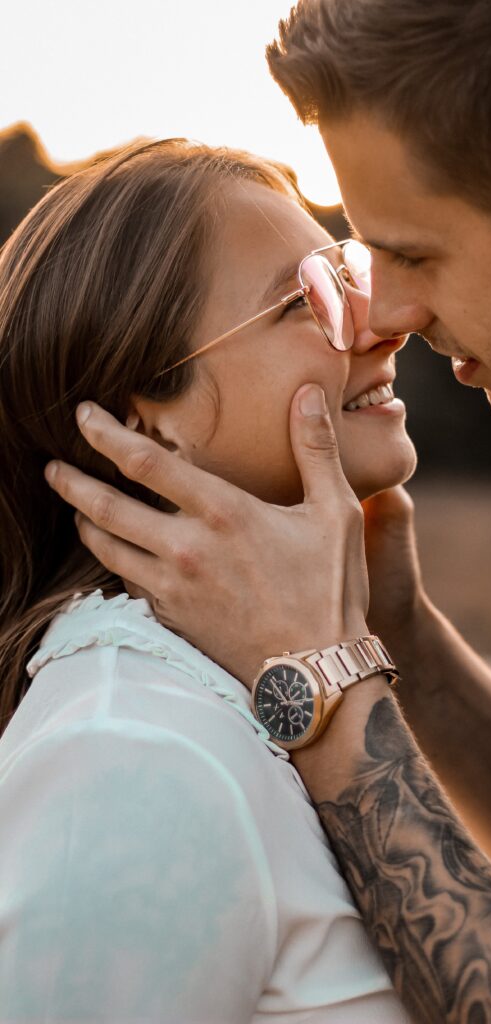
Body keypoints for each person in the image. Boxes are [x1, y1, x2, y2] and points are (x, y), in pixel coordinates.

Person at [41, 0, 491, 1020]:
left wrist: (326, 678)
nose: (382, 317)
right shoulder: (125, 742)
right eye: (324, 285)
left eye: (409, 255)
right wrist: (404, 649)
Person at [0, 138, 418, 1022]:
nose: (383, 320)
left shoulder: (223, 700)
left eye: (347, 271)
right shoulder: (125, 758)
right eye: (308, 295)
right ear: (144, 421)